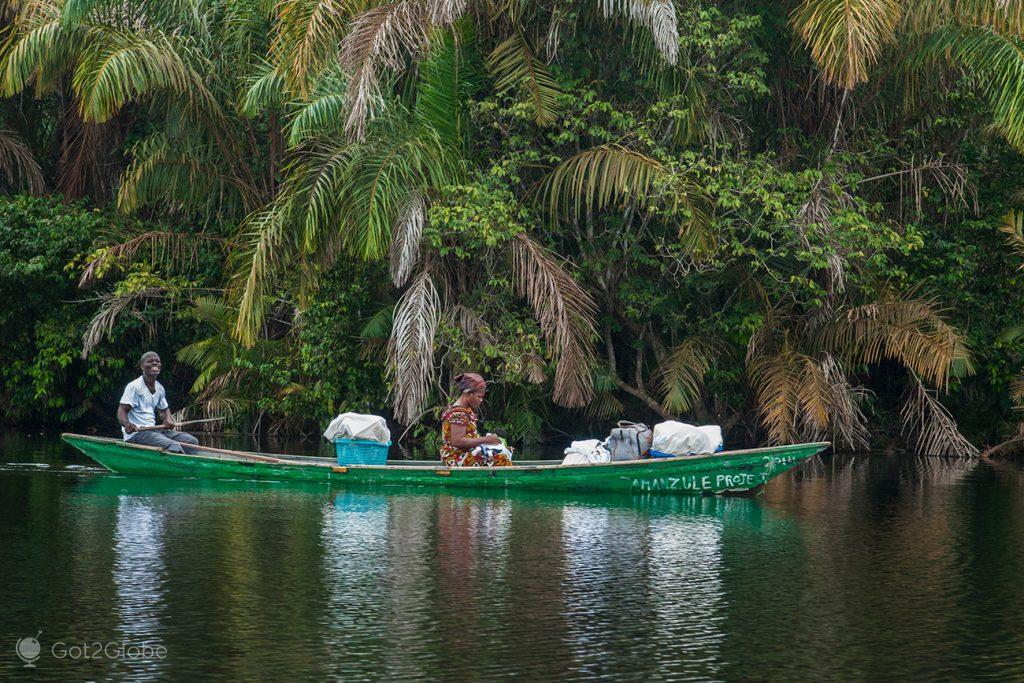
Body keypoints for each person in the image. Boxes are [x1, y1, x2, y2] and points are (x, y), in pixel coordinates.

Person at [117, 351, 199, 453]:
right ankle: (178, 467)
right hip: (137, 434)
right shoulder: (134, 386)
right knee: (173, 446)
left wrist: (168, 419)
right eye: (150, 361)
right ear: (142, 366)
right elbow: (122, 410)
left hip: (154, 431)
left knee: (192, 441)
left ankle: (191, 466)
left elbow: (164, 410)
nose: (155, 363)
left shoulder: (159, 388)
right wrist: (127, 424)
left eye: (157, 361)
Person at [440, 372, 512, 467]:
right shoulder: (459, 414)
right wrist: (486, 439)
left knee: (506, 450)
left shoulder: (464, 410)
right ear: (468, 393)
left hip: (467, 455)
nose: (481, 401)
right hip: (456, 459)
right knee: (501, 458)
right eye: (479, 397)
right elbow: (457, 441)